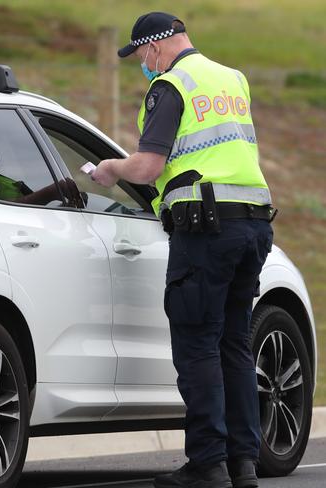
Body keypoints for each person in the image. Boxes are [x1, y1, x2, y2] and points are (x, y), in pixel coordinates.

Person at [90, 12, 275, 488]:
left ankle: (207, 463)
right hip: (253, 225)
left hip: (206, 232)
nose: (141, 66)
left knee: (197, 345)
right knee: (234, 344)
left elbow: (150, 166)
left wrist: (111, 168)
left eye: (140, 56)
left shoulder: (171, 85)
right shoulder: (233, 80)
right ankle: (244, 463)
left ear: (155, 46)